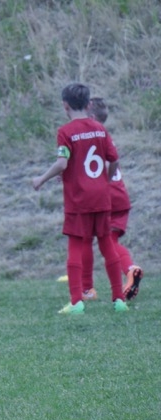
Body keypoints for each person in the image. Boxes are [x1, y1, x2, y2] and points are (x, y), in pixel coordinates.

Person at [32, 83, 128, 314]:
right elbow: (114, 159)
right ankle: (118, 300)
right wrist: (106, 178)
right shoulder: (100, 129)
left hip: (79, 199)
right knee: (107, 245)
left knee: (75, 246)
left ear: (65, 105)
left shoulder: (65, 132)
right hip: (102, 197)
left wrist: (41, 179)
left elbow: (62, 163)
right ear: (88, 104)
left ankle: (76, 302)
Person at [77, 98, 143, 302]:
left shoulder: (88, 137)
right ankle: (130, 269)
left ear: (91, 117)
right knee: (111, 241)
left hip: (104, 197)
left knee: (85, 239)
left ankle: (87, 289)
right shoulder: (107, 137)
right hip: (119, 195)